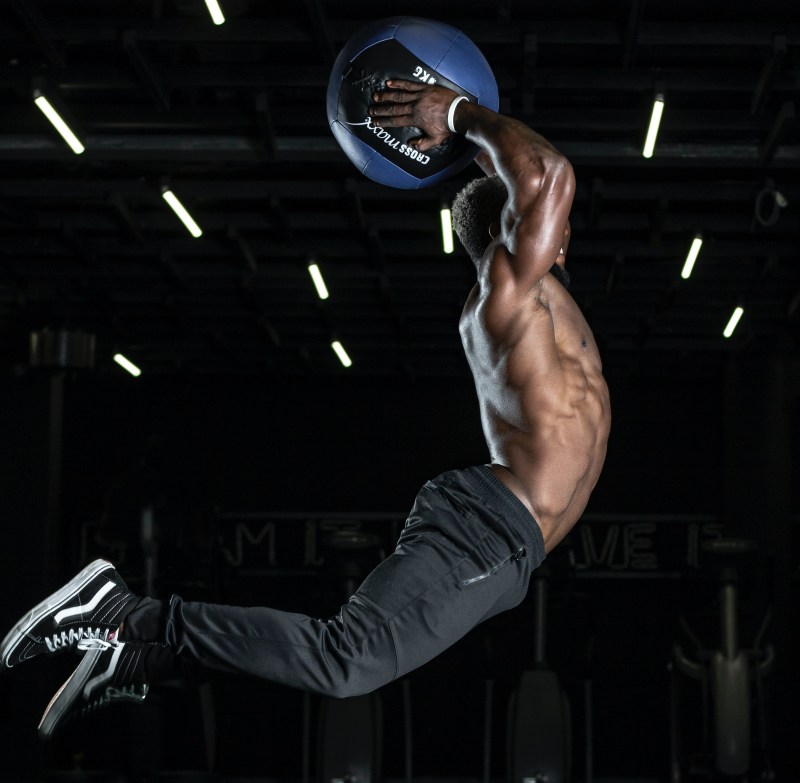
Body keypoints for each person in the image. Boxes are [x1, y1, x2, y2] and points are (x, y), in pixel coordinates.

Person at [1, 79, 611, 737]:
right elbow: (547, 173)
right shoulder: (508, 290)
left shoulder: (547, 294)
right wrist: (458, 113)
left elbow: (518, 175)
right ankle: (122, 611)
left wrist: (464, 145)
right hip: (488, 526)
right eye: (549, 222)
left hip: (513, 553)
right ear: (507, 228)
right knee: (346, 660)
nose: (565, 228)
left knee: (349, 659)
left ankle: (137, 659)